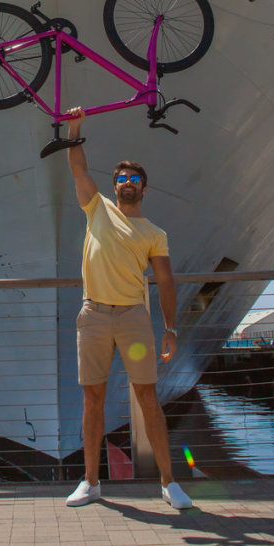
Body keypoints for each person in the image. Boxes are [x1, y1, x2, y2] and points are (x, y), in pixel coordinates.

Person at [64, 107, 192, 509]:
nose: (127, 183)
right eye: (121, 178)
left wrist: (170, 327)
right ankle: (90, 482)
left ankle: (169, 482)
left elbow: (166, 280)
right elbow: (78, 169)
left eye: (135, 178)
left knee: (147, 397)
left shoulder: (155, 233)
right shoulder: (97, 208)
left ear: (144, 189)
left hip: (134, 317)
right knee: (92, 399)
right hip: (94, 315)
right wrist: (75, 128)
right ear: (115, 185)